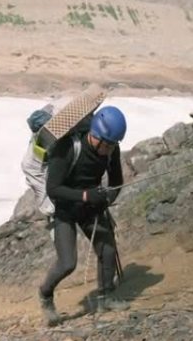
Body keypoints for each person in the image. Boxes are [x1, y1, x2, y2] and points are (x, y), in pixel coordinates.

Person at [38, 105, 130, 326]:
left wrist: (107, 199)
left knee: (107, 249)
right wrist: (87, 196)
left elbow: (116, 181)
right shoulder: (68, 147)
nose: (109, 150)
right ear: (95, 136)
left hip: (90, 205)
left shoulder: (111, 147)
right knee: (68, 263)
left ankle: (105, 297)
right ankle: (45, 295)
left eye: (113, 146)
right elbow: (53, 189)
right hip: (65, 209)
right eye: (107, 145)